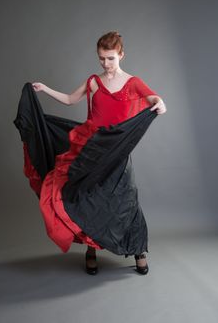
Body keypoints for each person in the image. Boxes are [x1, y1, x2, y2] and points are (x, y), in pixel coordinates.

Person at [29, 31, 167, 275]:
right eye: (102, 59)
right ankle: (90, 250)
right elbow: (71, 100)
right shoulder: (94, 81)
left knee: (126, 200)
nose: (106, 64)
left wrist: (160, 102)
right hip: (91, 148)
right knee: (88, 197)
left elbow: (153, 97)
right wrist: (45, 89)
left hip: (117, 150)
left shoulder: (133, 82)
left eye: (111, 58)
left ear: (121, 55)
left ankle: (139, 251)